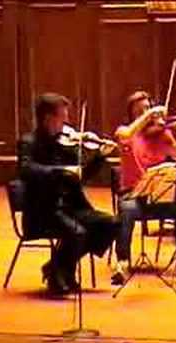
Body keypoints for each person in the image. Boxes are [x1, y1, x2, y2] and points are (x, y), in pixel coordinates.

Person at [18, 93, 119, 295]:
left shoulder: (65, 144)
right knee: (78, 233)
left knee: (110, 224)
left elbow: (80, 175)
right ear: (48, 118)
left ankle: (57, 267)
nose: (66, 123)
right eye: (62, 118)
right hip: (43, 211)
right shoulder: (29, 142)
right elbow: (25, 169)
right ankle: (60, 275)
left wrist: (99, 157)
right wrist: (58, 171)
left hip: (70, 208)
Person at [112, 91, 176, 283]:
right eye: (141, 111)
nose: (148, 114)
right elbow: (128, 133)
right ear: (132, 115)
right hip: (133, 195)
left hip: (157, 195)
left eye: (148, 108)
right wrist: (149, 114)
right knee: (126, 210)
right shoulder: (125, 132)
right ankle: (123, 262)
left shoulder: (162, 135)